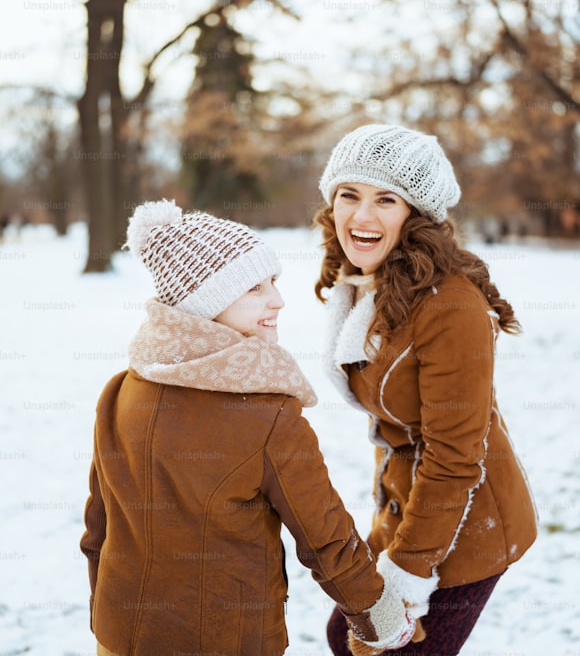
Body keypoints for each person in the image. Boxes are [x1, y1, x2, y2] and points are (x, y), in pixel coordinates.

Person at [79, 200, 416, 656]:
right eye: (254, 288)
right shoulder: (267, 413)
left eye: (273, 281)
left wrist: (107, 613)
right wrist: (380, 618)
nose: (277, 299)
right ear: (207, 304)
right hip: (224, 640)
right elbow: (325, 536)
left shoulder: (118, 391)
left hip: (120, 636)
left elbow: (97, 531)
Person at [313, 125, 539, 654]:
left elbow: (456, 459)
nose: (361, 216)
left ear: (416, 215)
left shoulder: (450, 307)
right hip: (403, 504)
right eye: (350, 195)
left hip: (465, 526)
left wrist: (406, 578)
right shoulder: (365, 285)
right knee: (341, 638)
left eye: (385, 199)